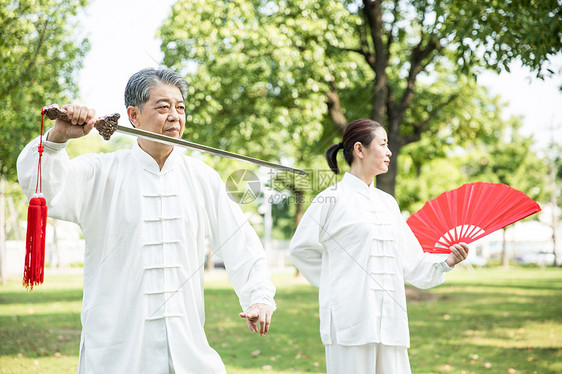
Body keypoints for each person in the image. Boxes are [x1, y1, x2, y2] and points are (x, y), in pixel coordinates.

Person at [17, 67, 276, 373]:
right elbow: (46, 192)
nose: (175, 116)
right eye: (163, 107)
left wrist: (258, 296)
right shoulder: (100, 173)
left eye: (180, 108)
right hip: (118, 349)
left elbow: (239, 242)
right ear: (134, 115)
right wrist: (58, 138)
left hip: (186, 348)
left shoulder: (202, 177)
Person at [289, 119, 469, 374]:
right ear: (360, 150)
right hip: (349, 320)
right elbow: (301, 249)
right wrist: (338, 283)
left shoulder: (388, 204)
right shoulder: (331, 199)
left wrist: (447, 261)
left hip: (390, 321)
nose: (389, 152)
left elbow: (409, 259)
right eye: (383, 144)